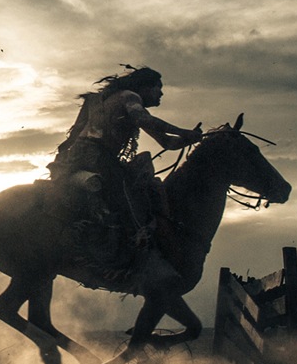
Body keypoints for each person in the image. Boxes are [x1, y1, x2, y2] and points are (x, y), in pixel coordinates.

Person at [48, 66, 202, 256]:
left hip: (83, 157)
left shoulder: (113, 102)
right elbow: (145, 120)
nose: (161, 93)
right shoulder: (130, 97)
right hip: (97, 157)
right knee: (131, 191)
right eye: (158, 87)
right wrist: (183, 131)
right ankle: (134, 239)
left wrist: (188, 139)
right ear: (145, 87)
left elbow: (167, 142)